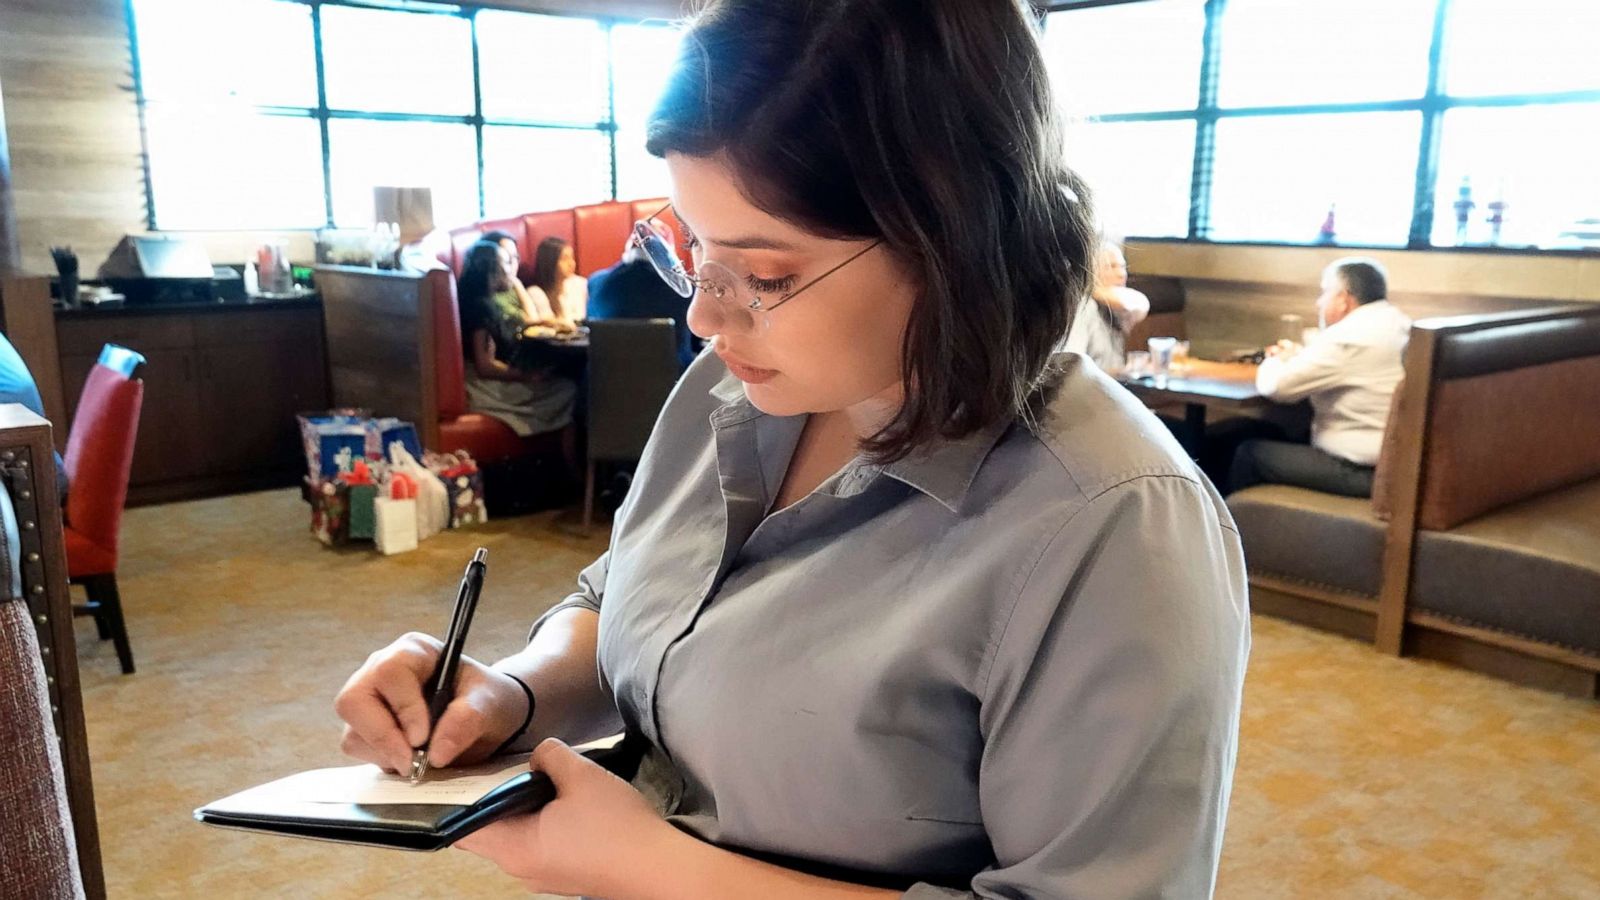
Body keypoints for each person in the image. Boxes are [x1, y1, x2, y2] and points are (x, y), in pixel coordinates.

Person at [336, 2, 1249, 897]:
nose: (702, 314)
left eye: (765, 274)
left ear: (957, 241)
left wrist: (652, 868)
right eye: (693, 249)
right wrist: (513, 694)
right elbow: (626, 592)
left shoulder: (1111, 526)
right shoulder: (731, 387)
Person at [1229, 257, 1410, 498]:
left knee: (1249, 453)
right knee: (1276, 432)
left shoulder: (1349, 335)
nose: (1319, 303)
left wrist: (1274, 359)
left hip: (1361, 470)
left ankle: (1227, 533)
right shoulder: (1399, 324)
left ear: (1343, 299)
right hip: (1397, 465)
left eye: (1325, 293)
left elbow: (1276, 388)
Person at [455, 240, 579, 457]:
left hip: (485, 380)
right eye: (504, 263)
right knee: (569, 390)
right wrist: (528, 376)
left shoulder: (477, 300)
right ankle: (569, 471)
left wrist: (541, 323)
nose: (510, 269)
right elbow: (485, 366)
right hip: (483, 388)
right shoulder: (480, 309)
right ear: (491, 272)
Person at [585, 219, 700, 370]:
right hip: (674, 387)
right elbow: (697, 340)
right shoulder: (686, 290)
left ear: (628, 247)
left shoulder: (595, 282)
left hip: (604, 387)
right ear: (668, 252)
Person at [1057, 237, 1149, 372]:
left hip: (1110, 386)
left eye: (1123, 267)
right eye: (1111, 266)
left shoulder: (1115, 306)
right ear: (1090, 271)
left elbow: (1138, 304)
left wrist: (1094, 290)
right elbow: (1071, 368)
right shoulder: (1083, 307)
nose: (1121, 274)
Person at [481, 229, 571, 334]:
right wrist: (518, 284)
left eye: (515, 257)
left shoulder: (511, 289)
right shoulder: (493, 298)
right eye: (506, 258)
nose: (512, 264)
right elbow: (531, 319)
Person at [528, 236, 587, 329]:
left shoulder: (580, 284)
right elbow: (548, 324)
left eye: (572, 257)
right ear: (550, 262)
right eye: (564, 259)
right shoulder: (537, 292)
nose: (571, 263)